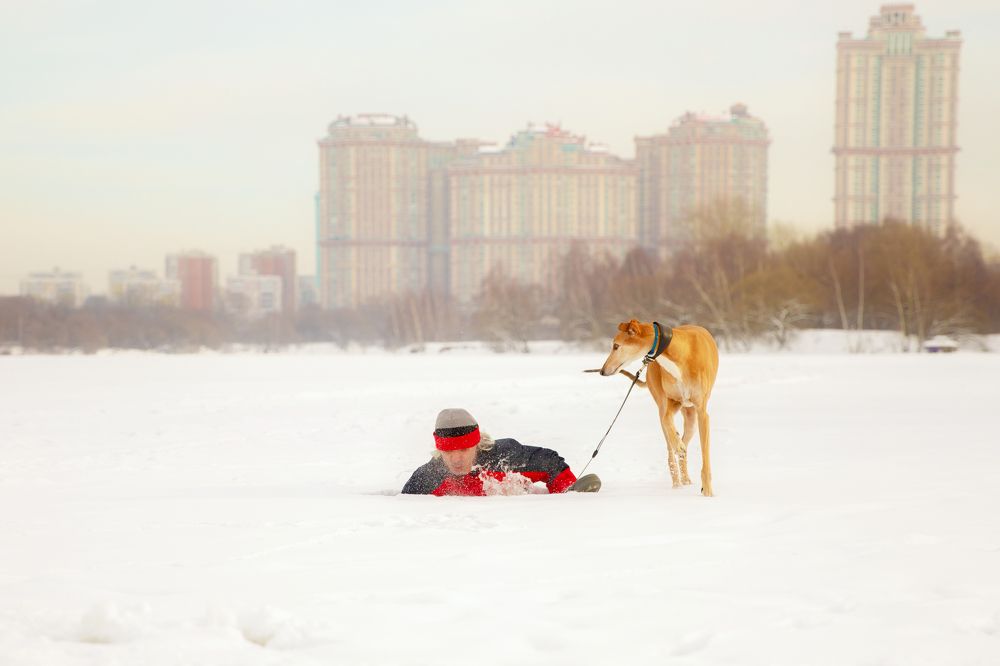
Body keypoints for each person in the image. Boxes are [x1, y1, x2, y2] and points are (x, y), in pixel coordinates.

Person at [401, 408, 600, 496]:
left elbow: (550, 463)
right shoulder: (427, 477)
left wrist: (569, 495)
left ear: (476, 444)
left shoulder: (504, 457)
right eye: (448, 451)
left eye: (463, 449)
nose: (456, 459)